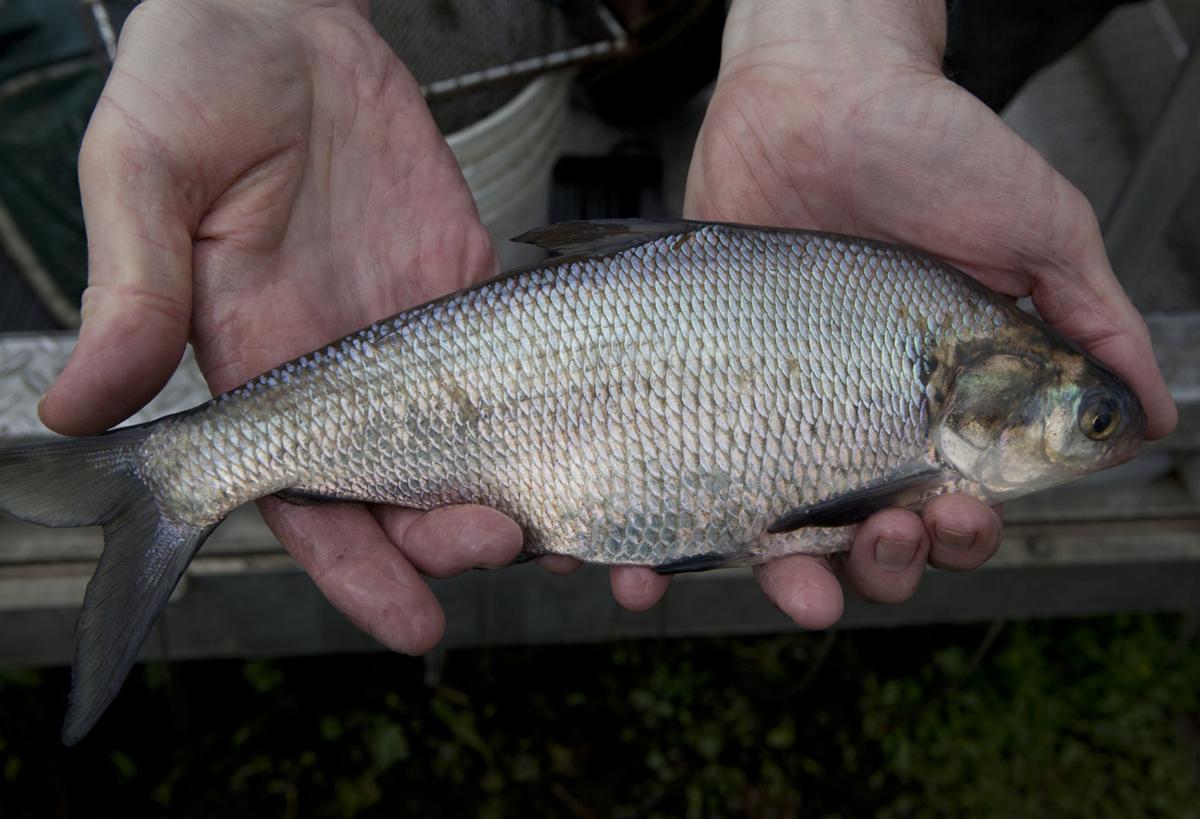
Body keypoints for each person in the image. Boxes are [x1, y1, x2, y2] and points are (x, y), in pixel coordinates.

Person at [38, 0, 1176, 653]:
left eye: (1083, 420)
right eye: (1080, 419)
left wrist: (838, 25)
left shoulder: (933, 330)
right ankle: (171, 477)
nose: (1099, 431)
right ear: (989, 389)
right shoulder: (933, 362)